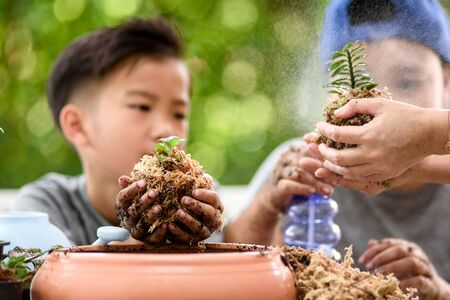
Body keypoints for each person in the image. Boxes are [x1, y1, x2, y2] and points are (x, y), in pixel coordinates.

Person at [225, 0, 450, 298]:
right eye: (359, 87)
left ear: (447, 81)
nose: (385, 109)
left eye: (407, 82)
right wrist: (268, 203)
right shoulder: (302, 164)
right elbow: (233, 263)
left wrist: (440, 292)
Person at [13, 17, 223, 246]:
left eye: (179, 114)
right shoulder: (45, 206)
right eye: (142, 106)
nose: (166, 129)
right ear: (78, 126)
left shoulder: (198, 203)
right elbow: (56, 275)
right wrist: (141, 241)